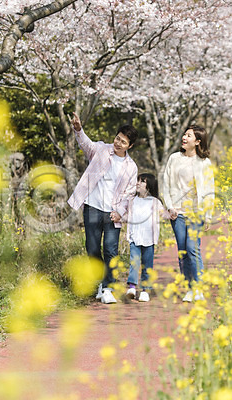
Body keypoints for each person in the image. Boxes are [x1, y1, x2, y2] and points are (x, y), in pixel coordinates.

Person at [67, 113, 138, 304]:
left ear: (130, 146)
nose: (118, 143)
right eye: (117, 138)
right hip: (92, 207)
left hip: (113, 213)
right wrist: (78, 129)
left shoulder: (131, 167)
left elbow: (130, 194)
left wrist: (121, 213)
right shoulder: (101, 150)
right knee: (91, 247)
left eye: (123, 142)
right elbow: (86, 144)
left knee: (110, 249)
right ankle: (101, 281)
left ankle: (108, 287)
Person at [161, 125, 215, 302]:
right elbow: (166, 184)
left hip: (196, 212)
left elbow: (209, 190)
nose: (184, 138)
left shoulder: (204, 163)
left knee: (193, 249)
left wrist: (207, 215)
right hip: (177, 212)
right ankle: (190, 288)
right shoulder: (174, 158)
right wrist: (170, 207)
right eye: (184, 134)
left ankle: (198, 287)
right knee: (183, 251)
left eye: (189, 135)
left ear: (197, 141)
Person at [124, 173, 169, 302]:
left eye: (142, 181)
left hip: (149, 239)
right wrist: (120, 218)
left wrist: (170, 214)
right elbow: (128, 216)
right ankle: (132, 287)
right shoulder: (132, 200)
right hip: (135, 237)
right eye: (137, 181)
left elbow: (162, 213)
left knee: (147, 265)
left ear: (149, 185)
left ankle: (145, 290)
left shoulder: (155, 201)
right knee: (134, 262)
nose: (138, 183)